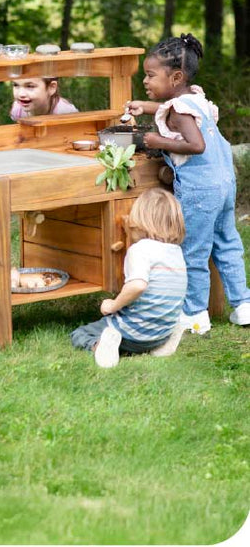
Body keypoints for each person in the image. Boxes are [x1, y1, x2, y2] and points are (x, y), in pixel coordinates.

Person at [126, 33, 250, 333]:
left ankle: (195, 314)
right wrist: (146, 105)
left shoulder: (180, 110)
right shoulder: (195, 99)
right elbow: (178, 113)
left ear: (175, 76)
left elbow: (196, 145)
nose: (145, 81)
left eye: (151, 75)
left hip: (199, 192)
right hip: (223, 184)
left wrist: (156, 140)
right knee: (227, 244)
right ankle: (243, 306)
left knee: (193, 251)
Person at [71, 188, 188, 368]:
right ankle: (163, 343)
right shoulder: (176, 252)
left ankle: (102, 346)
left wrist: (113, 305)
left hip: (134, 333)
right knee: (151, 327)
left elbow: (138, 286)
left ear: (140, 221)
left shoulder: (140, 250)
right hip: (161, 330)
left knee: (81, 334)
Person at [10, 76, 78, 120]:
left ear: (51, 88)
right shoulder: (17, 110)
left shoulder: (66, 112)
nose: (21, 94)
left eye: (30, 86)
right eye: (16, 85)